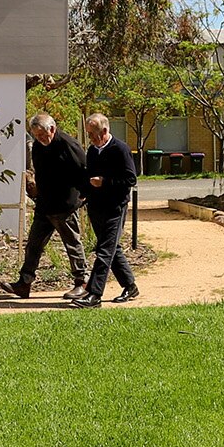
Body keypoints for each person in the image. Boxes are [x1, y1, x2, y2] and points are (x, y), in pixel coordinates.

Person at [8, 112, 89, 299]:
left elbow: (83, 171)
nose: (40, 139)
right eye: (37, 135)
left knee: (72, 244)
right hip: (45, 204)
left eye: (43, 135)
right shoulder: (37, 146)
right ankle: (24, 283)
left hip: (65, 205)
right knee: (34, 245)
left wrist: (83, 196)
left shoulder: (69, 145)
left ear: (52, 129)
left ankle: (81, 282)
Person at [68, 112, 140, 307]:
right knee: (111, 248)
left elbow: (130, 179)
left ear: (105, 130)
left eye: (93, 134)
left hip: (115, 207)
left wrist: (105, 182)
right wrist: (84, 193)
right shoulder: (92, 151)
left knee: (104, 251)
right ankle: (130, 286)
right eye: (89, 134)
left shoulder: (120, 149)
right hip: (96, 207)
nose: (90, 138)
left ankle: (94, 294)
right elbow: (89, 177)